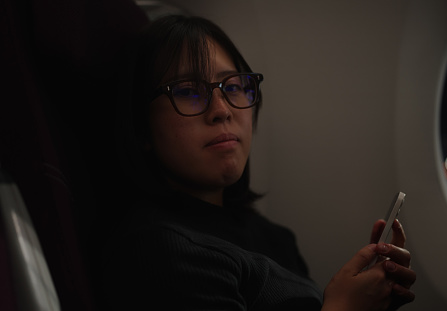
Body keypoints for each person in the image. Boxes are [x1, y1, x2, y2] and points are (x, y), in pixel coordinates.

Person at [98, 14, 416, 311]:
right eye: (188, 91)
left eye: (233, 86)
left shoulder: (274, 236)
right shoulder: (160, 254)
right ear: (141, 127)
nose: (222, 109)